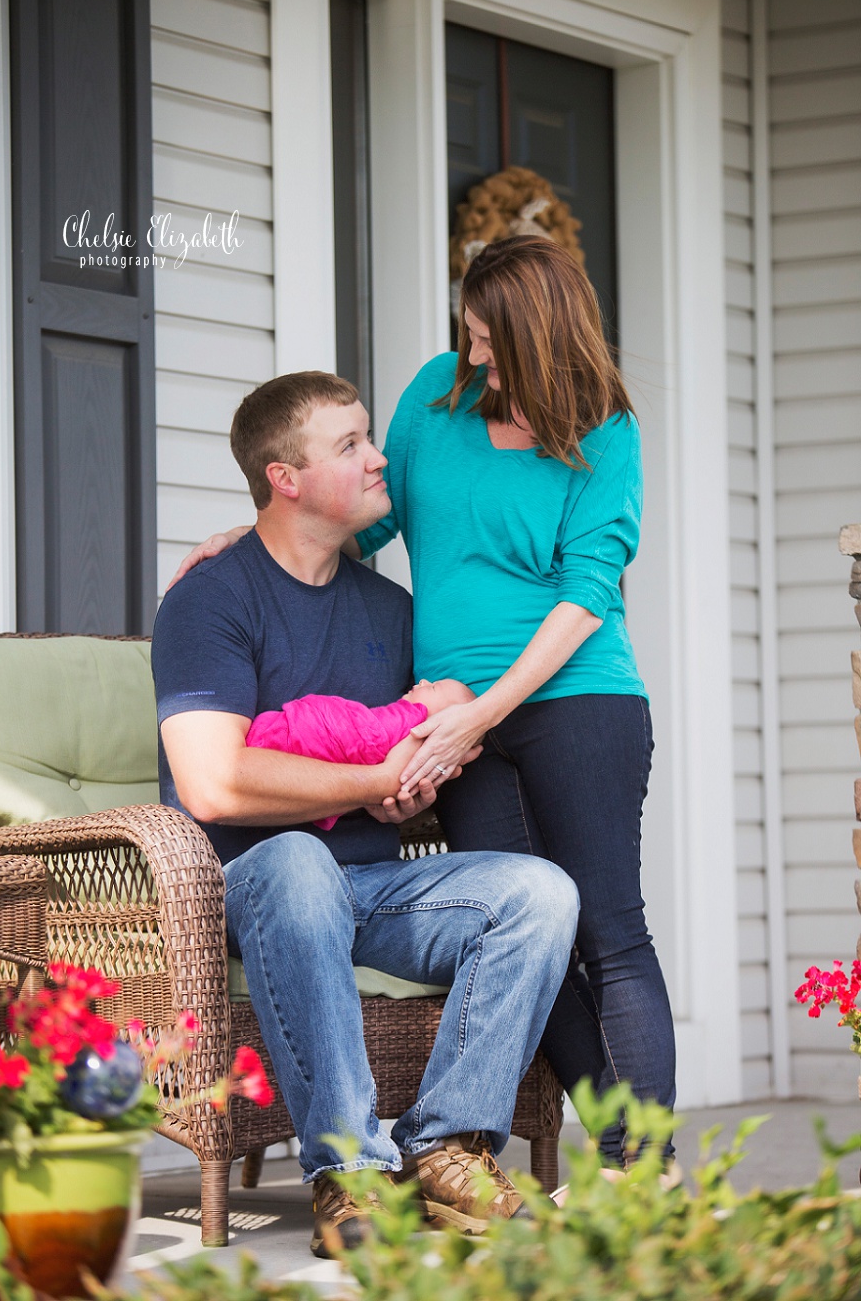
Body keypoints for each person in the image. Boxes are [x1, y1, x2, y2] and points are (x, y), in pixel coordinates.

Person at [171, 235, 677, 1170]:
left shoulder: (604, 429)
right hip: (455, 718)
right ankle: (601, 1150)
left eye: (488, 339)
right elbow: (366, 513)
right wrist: (254, 537)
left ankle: (643, 1168)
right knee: (540, 918)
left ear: (535, 335)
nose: (473, 354)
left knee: (607, 925)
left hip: (575, 696)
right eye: (469, 334)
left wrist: (482, 713)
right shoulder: (437, 397)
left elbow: (590, 587)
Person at [152, 369, 580, 1258]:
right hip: (237, 889)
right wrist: (368, 779)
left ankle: (448, 1149)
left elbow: (411, 750)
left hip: (368, 888)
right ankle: (346, 1171)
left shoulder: (391, 609)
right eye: (349, 444)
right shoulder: (211, 596)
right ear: (286, 478)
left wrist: (414, 778)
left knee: (538, 892)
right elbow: (213, 785)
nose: (380, 455)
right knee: (299, 864)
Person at [246, 678, 475, 829]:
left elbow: (367, 737)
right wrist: (383, 780)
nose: (423, 681)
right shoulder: (403, 726)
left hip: (293, 738)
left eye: (434, 687)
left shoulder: (410, 722)